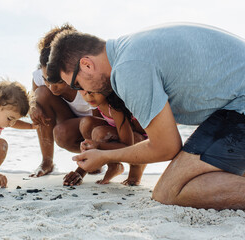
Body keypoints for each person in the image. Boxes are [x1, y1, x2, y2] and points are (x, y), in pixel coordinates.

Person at [46, 23, 245, 210]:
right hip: (234, 106)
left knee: (168, 192)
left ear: (87, 65)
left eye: (77, 85)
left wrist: (104, 156)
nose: (82, 92)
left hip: (239, 106)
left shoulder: (128, 69)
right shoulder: (129, 48)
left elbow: (166, 147)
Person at [30, 23, 97, 177]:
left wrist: (83, 168)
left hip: (95, 125)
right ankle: (47, 162)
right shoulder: (41, 75)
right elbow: (33, 101)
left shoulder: (85, 79)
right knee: (41, 95)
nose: (52, 88)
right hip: (69, 121)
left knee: (71, 131)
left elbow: (99, 120)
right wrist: (33, 108)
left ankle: (96, 161)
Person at [63, 91, 147, 186]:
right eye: (83, 91)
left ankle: (136, 171)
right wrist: (80, 172)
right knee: (86, 124)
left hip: (142, 143)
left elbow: (128, 145)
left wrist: (97, 145)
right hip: (125, 136)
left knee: (100, 133)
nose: (88, 96)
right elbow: (95, 136)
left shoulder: (115, 107)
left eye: (91, 92)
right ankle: (114, 166)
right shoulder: (96, 100)